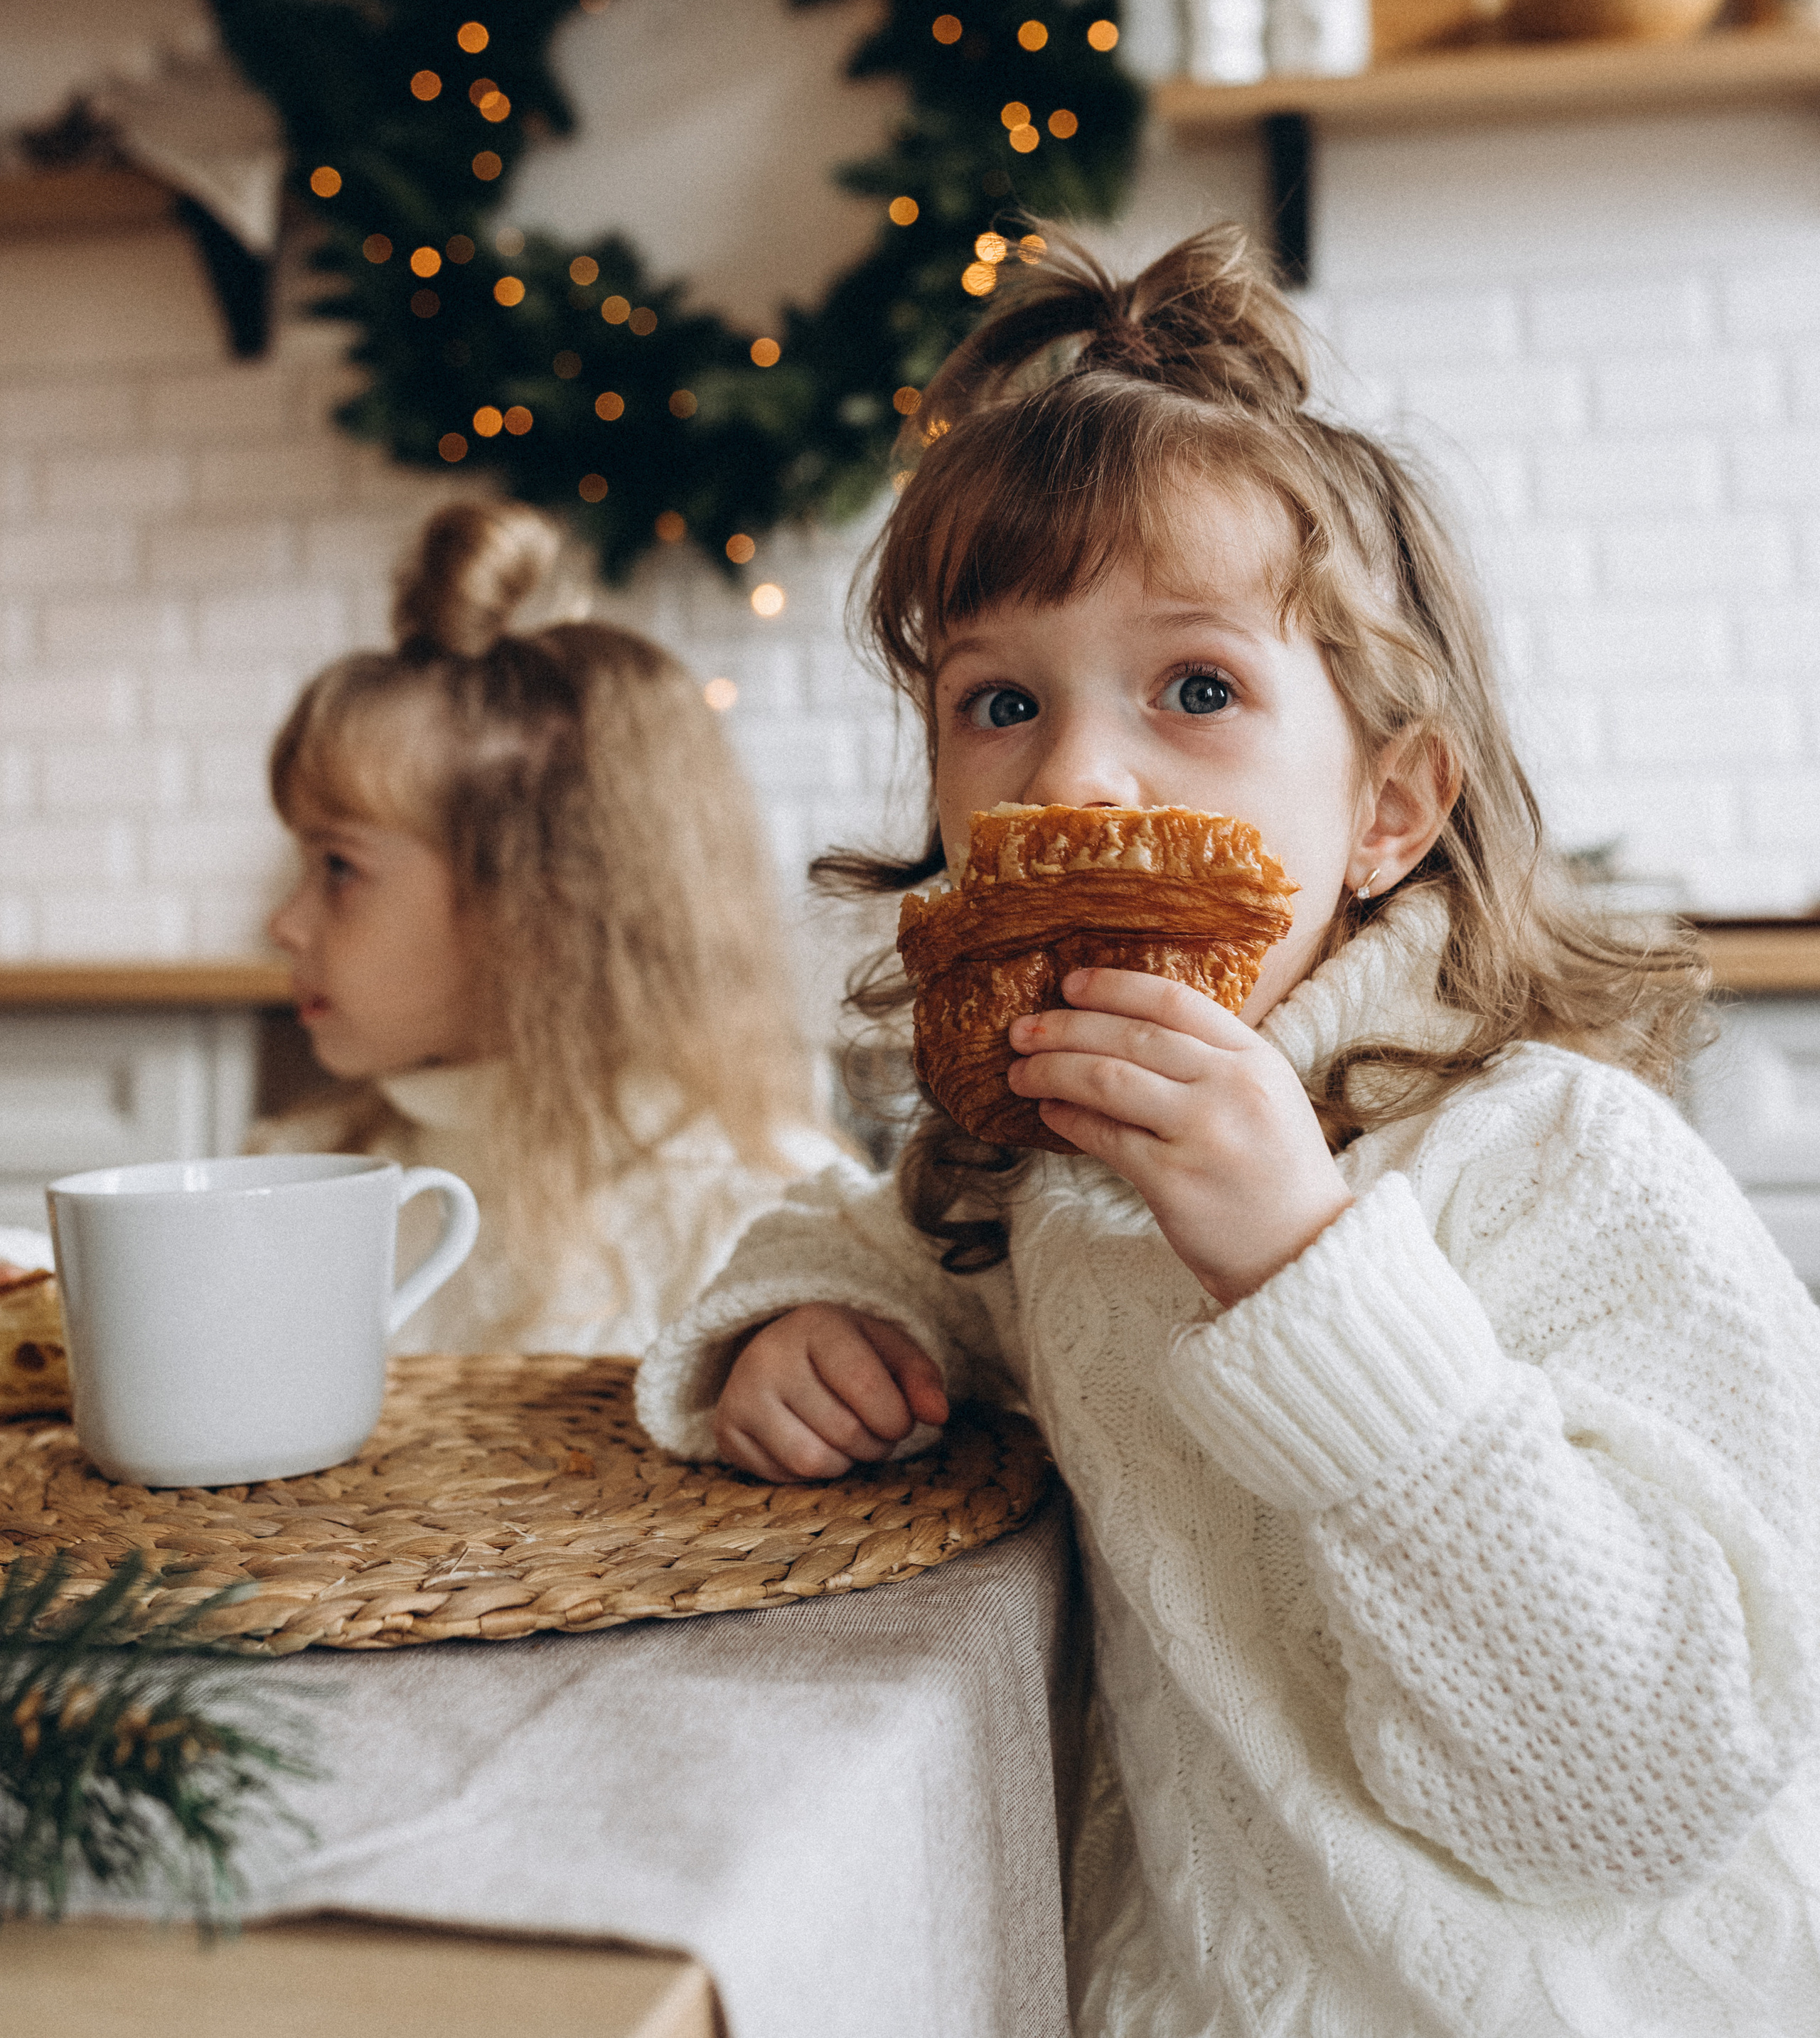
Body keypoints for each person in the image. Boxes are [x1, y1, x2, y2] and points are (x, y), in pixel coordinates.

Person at [636, 225, 1820, 2033]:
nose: (1075, 781)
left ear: (1386, 808)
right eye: (997, 703)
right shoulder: (1035, 1167)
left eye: (1193, 691)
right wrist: (805, 1327)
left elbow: (1645, 1786)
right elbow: (878, 1237)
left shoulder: (1559, 1158)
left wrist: (1306, 1273)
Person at [256, 498, 840, 1357]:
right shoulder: (294, 1177)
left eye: (338, 867)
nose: (284, 924)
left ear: (538, 908)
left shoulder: (764, 1225)